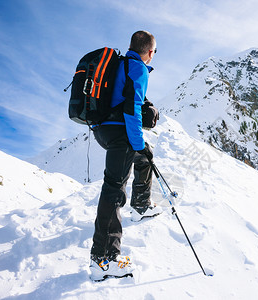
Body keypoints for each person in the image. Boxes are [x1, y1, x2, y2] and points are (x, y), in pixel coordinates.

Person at [89, 30, 162, 281]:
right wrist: (137, 141)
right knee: (114, 191)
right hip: (120, 134)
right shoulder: (138, 68)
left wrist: (141, 147)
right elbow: (131, 110)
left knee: (145, 157)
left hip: (102, 130)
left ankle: (141, 205)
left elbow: (126, 100)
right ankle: (103, 260)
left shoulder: (119, 64)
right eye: (154, 52)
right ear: (150, 52)